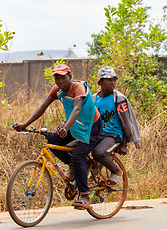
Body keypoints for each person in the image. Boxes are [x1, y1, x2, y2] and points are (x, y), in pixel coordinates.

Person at [13, 64, 102, 210]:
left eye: (63, 77)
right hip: (75, 125)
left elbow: (77, 108)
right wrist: (25, 124)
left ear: (70, 77)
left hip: (92, 127)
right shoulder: (57, 90)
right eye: (56, 78)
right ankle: (74, 166)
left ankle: (85, 196)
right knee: (52, 140)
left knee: (78, 156)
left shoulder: (78, 87)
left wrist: (65, 127)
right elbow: (42, 107)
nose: (60, 81)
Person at [92, 66, 141, 185]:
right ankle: (92, 173)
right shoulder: (94, 99)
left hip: (113, 135)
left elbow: (126, 122)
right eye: (109, 80)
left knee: (97, 153)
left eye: (114, 79)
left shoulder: (118, 98)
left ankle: (116, 171)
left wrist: (124, 144)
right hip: (98, 134)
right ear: (100, 82)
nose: (112, 82)